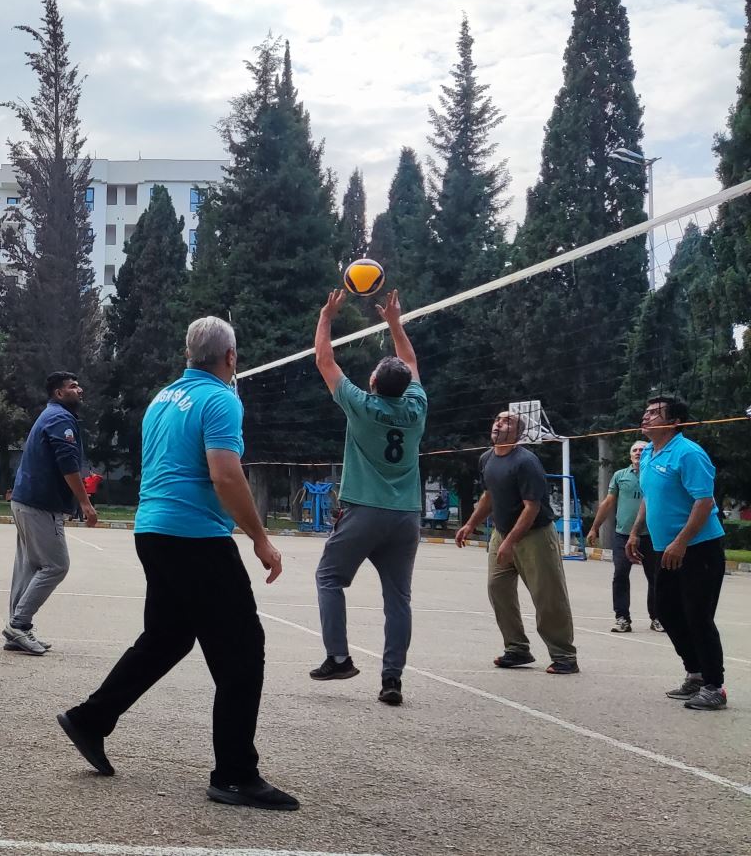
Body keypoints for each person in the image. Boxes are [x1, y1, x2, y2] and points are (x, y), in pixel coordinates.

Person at [58, 317, 297, 812]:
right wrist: (260, 539)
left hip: (153, 531)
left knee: (167, 638)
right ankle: (235, 775)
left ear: (190, 354)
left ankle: (90, 719)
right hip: (195, 538)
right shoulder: (221, 399)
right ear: (230, 357)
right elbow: (225, 475)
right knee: (242, 651)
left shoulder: (163, 398)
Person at [309, 289, 427, 706]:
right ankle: (392, 679)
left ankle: (339, 658)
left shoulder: (360, 404)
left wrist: (327, 316)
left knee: (329, 578)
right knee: (398, 599)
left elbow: (325, 360)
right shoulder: (417, 408)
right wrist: (395, 323)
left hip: (364, 512)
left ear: (373, 383)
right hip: (406, 516)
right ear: (406, 387)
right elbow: (410, 361)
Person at [455, 412, 578, 675]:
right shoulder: (486, 458)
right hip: (502, 533)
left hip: (535, 535)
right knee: (497, 588)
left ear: (518, 434)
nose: (498, 423)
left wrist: (510, 542)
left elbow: (532, 507)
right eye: (497, 419)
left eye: (507, 421)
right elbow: (489, 495)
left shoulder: (526, 462)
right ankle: (517, 648)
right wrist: (470, 524)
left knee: (547, 595)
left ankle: (564, 655)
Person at [628, 396, 729, 710]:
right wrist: (635, 531)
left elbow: (704, 502)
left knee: (698, 615)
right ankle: (695, 673)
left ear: (674, 422)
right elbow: (649, 497)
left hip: (699, 548)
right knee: (667, 611)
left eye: (655, 413)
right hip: (665, 548)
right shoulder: (648, 454)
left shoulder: (688, 453)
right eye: (646, 411)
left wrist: (681, 542)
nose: (646, 417)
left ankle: (714, 686)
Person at [3, 371, 98, 656]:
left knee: (30, 566)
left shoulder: (52, 415)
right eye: (73, 386)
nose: (80, 390)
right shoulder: (60, 419)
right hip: (40, 505)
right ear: (59, 393)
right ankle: (19, 624)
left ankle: (17, 630)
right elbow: (67, 464)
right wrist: (85, 503)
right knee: (56, 566)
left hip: (27, 501)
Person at [588, 440, 662, 633]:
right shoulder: (620, 476)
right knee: (620, 574)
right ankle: (622, 618)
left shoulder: (656, 473)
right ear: (630, 456)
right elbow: (608, 502)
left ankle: (657, 617)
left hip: (651, 536)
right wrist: (595, 527)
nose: (638, 452)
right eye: (634, 450)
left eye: (642, 449)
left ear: (650, 453)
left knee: (655, 577)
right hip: (623, 535)